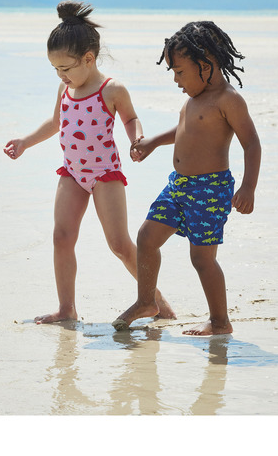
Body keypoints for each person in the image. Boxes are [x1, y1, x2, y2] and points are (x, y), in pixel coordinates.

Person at [4, 1, 176, 324]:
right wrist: (25, 142)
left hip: (104, 174)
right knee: (61, 237)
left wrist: (136, 139)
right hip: (71, 172)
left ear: (89, 58)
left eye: (66, 69)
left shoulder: (110, 89)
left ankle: (157, 301)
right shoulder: (64, 89)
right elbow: (56, 123)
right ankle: (66, 308)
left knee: (120, 244)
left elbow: (131, 119)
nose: (62, 76)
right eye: (56, 70)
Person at [112, 21, 261, 335]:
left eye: (180, 71)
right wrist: (152, 141)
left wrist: (248, 186)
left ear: (207, 62)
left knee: (202, 258)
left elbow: (251, 143)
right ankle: (146, 301)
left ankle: (220, 321)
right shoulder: (194, 99)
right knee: (146, 238)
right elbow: (183, 132)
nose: (177, 80)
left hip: (209, 190)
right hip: (177, 186)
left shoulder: (228, 100)